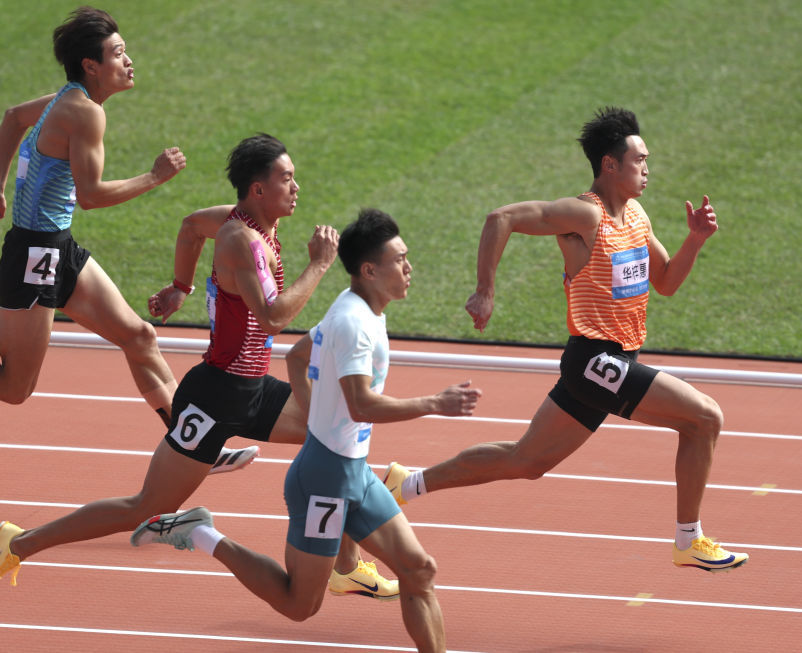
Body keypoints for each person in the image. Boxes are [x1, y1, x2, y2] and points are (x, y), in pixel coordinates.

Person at [1, 135, 392, 597]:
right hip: (214, 399)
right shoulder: (241, 240)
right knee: (144, 507)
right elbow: (273, 317)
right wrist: (320, 265)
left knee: (338, 438)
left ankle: (344, 566)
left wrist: (180, 287)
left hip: (252, 389)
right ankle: (17, 543)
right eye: (287, 178)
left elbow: (189, 227)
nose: (296, 187)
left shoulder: (238, 221)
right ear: (258, 189)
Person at [382, 107, 748, 572]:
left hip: (612, 362)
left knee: (525, 460)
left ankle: (405, 484)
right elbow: (501, 218)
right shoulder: (585, 214)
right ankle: (688, 540)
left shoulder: (636, 215)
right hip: (595, 360)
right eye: (639, 160)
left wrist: (694, 240)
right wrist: (485, 290)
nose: (647, 169)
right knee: (704, 418)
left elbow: (667, 282)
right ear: (609, 165)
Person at [130, 209, 481, 653]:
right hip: (324, 483)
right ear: (369, 270)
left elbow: (297, 356)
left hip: (353, 471)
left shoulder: (362, 308)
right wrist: (435, 403)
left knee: (419, 570)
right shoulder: (354, 324)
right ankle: (201, 533)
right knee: (299, 605)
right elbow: (360, 404)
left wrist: (320, 421)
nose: (409, 267)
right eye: (400, 260)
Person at [0, 6, 185, 427]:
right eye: (118, 54)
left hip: (56, 247)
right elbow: (91, 196)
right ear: (91, 66)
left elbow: (12, 118)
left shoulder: (66, 99)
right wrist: (154, 177)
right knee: (14, 388)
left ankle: (192, 444)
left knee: (139, 336)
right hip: (36, 255)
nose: (129, 60)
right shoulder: (84, 111)